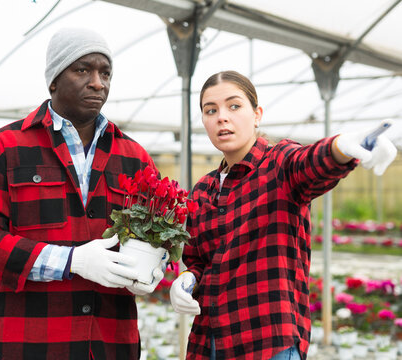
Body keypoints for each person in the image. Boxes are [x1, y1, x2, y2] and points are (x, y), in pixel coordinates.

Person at [0, 27, 165, 360]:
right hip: (32, 347)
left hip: (111, 345)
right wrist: (72, 261)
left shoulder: (134, 157)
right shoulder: (7, 147)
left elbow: (155, 238)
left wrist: (153, 269)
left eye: (105, 72)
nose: (98, 82)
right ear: (54, 80)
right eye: (82, 70)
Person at [169, 70, 397, 360]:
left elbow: (311, 162)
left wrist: (342, 146)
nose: (221, 117)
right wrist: (188, 278)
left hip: (266, 342)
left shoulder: (279, 164)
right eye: (210, 110)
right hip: (210, 342)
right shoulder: (203, 190)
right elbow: (200, 259)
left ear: (257, 115)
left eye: (234, 106)